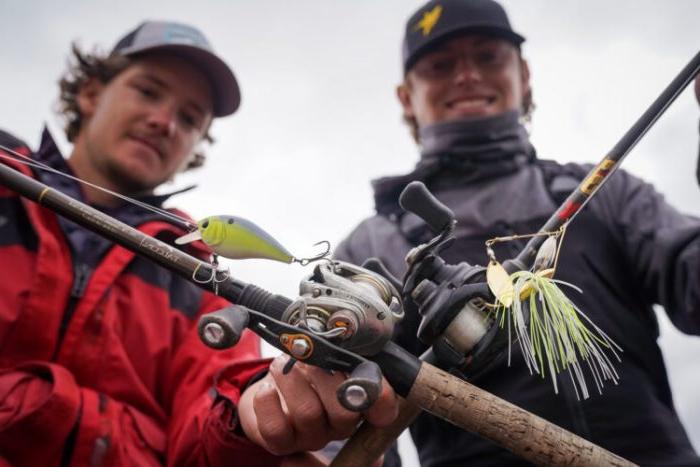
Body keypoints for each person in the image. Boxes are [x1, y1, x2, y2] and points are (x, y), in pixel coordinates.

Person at [0, 21, 395, 466]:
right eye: (148, 91)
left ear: (195, 146)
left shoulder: (198, 272)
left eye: (189, 118)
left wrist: (253, 416)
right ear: (91, 94)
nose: (165, 122)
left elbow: (209, 408)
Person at [334, 1, 700, 465]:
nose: (466, 75)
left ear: (524, 74)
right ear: (407, 97)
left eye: (488, 57)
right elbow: (340, 403)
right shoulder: (371, 247)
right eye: (441, 66)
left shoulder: (609, 193)